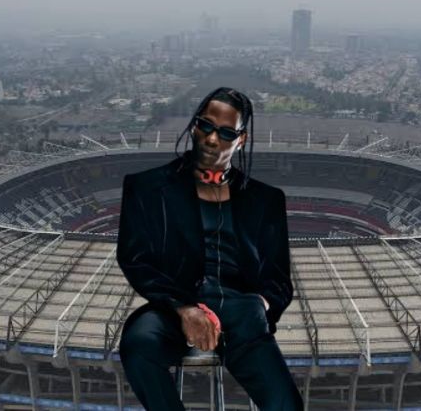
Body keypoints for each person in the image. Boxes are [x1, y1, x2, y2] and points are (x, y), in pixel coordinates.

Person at [116, 87, 303, 410]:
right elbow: (134, 259)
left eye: (227, 132)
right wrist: (185, 308)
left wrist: (256, 305)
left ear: (241, 140)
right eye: (206, 126)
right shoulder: (145, 187)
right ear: (193, 126)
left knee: (286, 405)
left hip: (241, 309)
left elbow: (278, 281)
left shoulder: (267, 200)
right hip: (175, 303)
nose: (212, 139)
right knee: (138, 345)